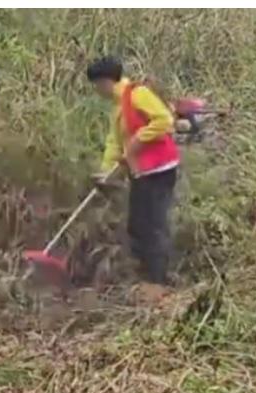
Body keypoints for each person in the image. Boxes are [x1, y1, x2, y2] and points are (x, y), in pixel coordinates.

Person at [86, 56, 180, 296]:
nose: (97, 91)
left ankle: (159, 281)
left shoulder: (138, 94)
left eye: (96, 85)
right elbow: (114, 143)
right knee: (137, 225)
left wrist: (139, 139)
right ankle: (143, 278)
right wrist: (106, 170)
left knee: (154, 224)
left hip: (160, 168)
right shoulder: (117, 107)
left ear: (106, 82)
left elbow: (165, 120)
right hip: (141, 172)